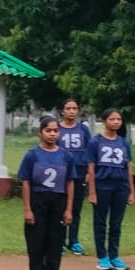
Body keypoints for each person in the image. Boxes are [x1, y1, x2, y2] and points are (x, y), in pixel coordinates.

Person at [18, 115, 75, 270]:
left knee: (55, 244)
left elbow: (70, 183)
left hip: (58, 201)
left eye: (55, 131)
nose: (52, 134)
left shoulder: (66, 156)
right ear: (40, 132)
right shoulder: (32, 155)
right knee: (36, 244)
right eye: (48, 130)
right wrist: (28, 209)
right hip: (38, 200)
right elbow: (26, 182)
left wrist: (68, 209)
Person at [86, 108, 135, 270]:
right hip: (102, 185)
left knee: (116, 223)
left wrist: (131, 190)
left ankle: (114, 255)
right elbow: (91, 168)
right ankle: (102, 257)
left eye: (118, 119)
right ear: (104, 121)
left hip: (121, 186)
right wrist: (92, 192)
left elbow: (128, 167)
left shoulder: (123, 142)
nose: (116, 122)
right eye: (112, 119)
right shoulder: (95, 142)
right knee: (100, 222)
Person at [57, 98, 92, 255]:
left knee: (76, 207)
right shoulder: (56, 128)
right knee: (60, 206)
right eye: (68, 108)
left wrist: (89, 172)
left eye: (74, 108)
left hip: (79, 171)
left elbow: (90, 151)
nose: (72, 111)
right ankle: (60, 240)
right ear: (62, 111)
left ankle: (74, 241)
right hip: (61, 172)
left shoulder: (83, 130)